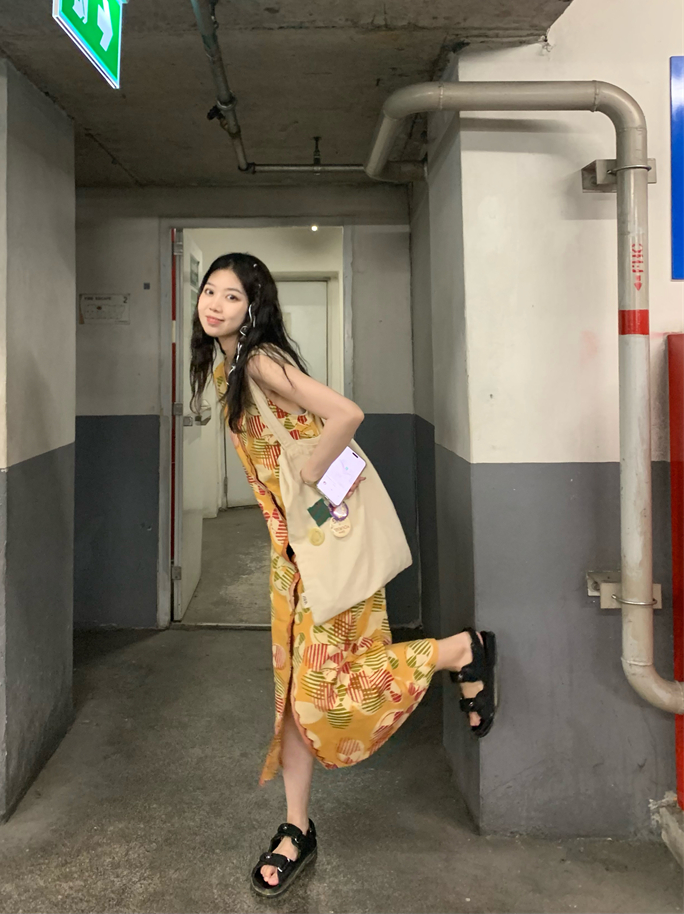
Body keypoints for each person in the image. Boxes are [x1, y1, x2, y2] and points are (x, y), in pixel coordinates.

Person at [190, 252, 497, 898]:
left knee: (322, 695)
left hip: (324, 552)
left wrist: (311, 471)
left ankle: (457, 652)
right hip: (295, 557)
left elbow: (346, 414)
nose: (214, 304)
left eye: (232, 296)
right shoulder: (226, 368)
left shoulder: (260, 361)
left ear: (254, 307)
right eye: (209, 291)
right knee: (292, 701)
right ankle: (295, 827)